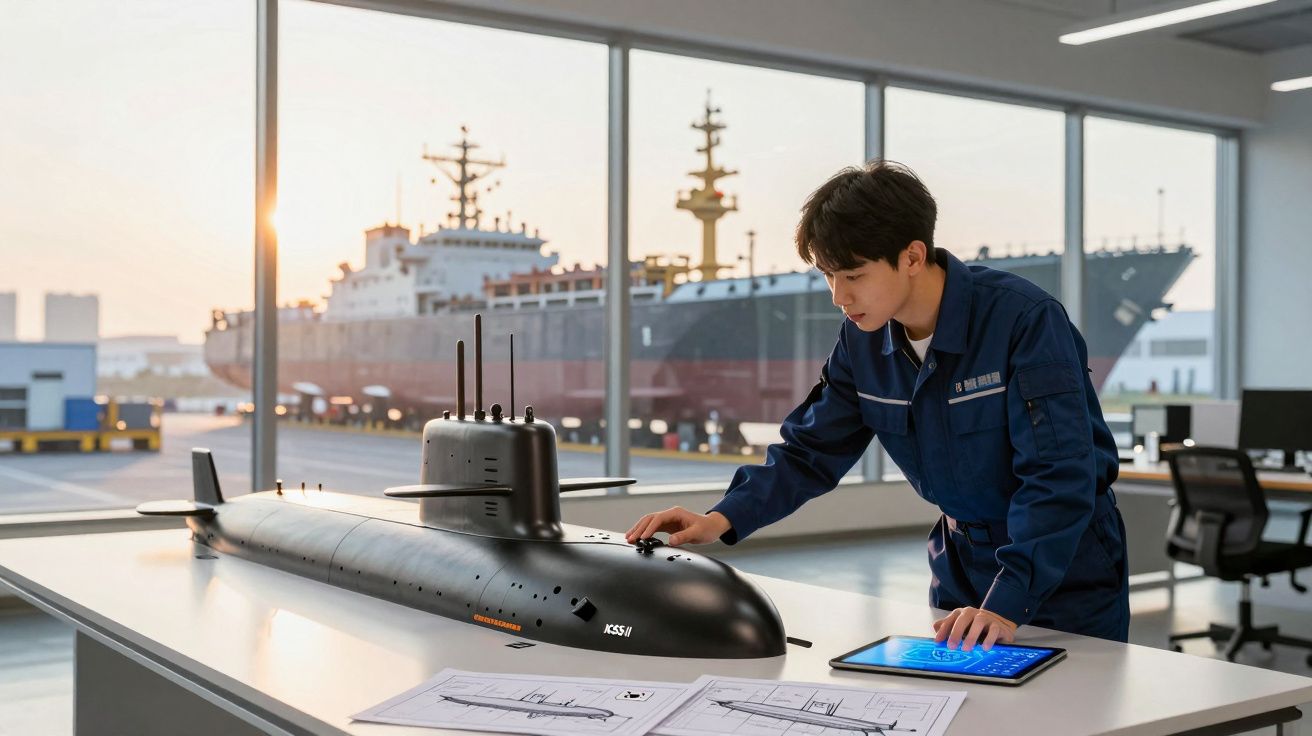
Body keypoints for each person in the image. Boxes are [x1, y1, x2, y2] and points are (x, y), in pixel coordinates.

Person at [626, 160, 1128, 652]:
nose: (839, 296)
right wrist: (720, 519)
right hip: (960, 565)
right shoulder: (861, 340)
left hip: (1064, 566)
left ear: (912, 256)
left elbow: (1059, 474)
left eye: (854, 275)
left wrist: (1008, 599)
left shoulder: (1025, 321)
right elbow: (810, 451)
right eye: (828, 276)